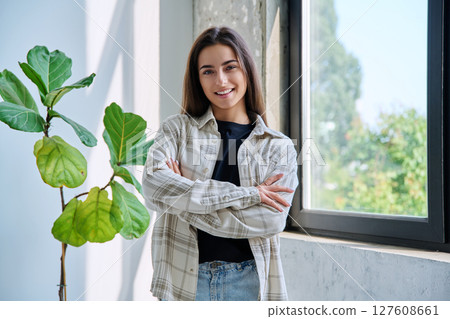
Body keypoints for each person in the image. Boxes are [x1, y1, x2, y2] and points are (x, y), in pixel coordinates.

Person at [142, 26, 299, 301]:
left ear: (247, 70)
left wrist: (182, 200)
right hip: (185, 282)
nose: (221, 80)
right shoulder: (176, 131)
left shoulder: (278, 146)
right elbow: (154, 187)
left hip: (249, 282)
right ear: (198, 79)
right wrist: (249, 195)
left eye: (230, 67)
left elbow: (270, 220)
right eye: (208, 71)